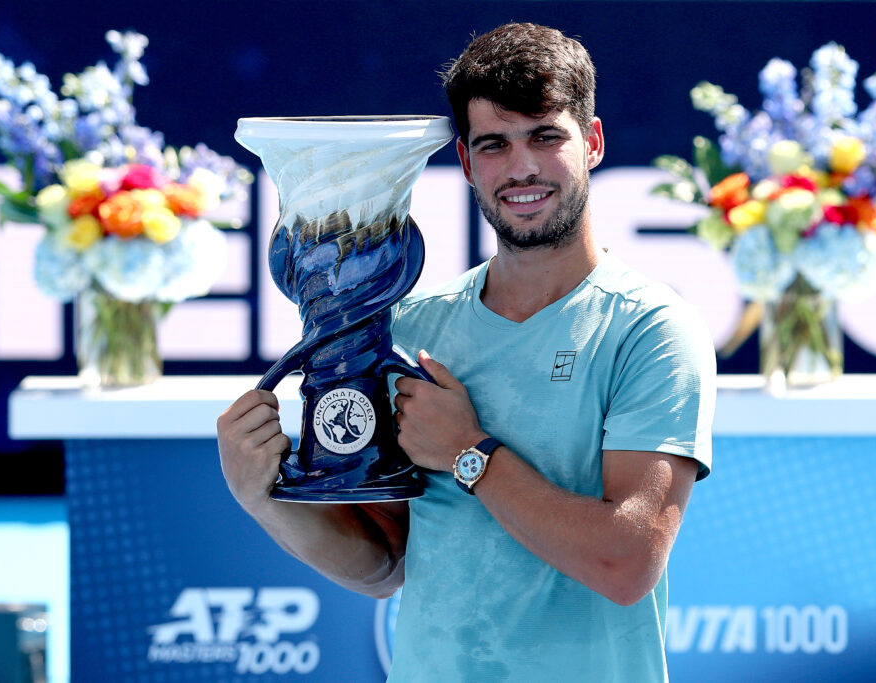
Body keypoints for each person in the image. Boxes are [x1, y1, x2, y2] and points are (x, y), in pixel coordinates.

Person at [217, 22, 716, 682]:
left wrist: (469, 453)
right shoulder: (413, 327)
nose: (521, 168)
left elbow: (625, 563)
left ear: (591, 143)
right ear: (466, 162)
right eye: (495, 145)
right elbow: (386, 563)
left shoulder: (651, 329)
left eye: (546, 136)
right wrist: (264, 499)